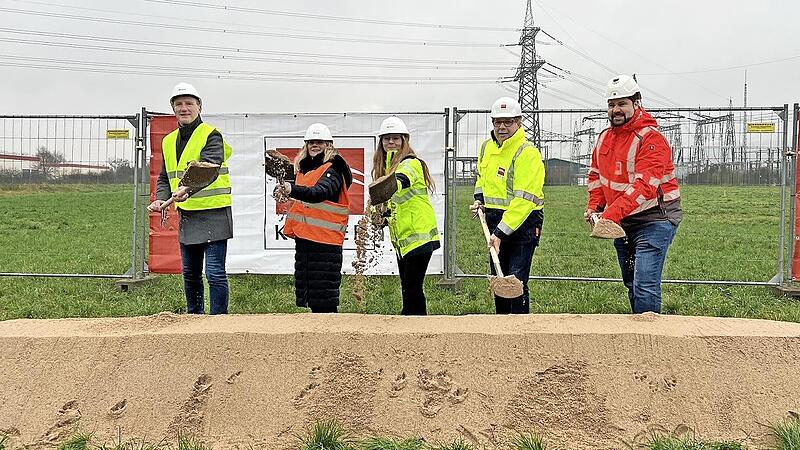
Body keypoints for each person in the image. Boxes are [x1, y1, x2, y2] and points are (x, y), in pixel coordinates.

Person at [585, 74, 682, 314]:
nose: (616, 110)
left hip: (655, 218)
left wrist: (610, 214)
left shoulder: (651, 139)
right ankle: (638, 334)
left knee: (645, 284)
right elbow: (596, 176)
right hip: (621, 219)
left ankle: (650, 339)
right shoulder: (604, 138)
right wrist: (595, 207)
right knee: (631, 282)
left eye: (622, 104)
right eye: (611, 104)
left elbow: (644, 187)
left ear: (636, 103)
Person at [147, 82, 233, 315]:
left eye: (189, 104)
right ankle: (194, 319)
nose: (184, 108)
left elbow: (210, 167)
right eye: (179, 104)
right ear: (173, 109)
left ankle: (219, 320)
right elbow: (165, 176)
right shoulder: (168, 141)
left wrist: (186, 189)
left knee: (214, 272)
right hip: (189, 214)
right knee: (191, 273)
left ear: (199, 107)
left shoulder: (211, 135)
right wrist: (160, 198)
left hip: (215, 212)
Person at [469, 97, 545, 314]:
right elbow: (482, 177)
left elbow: (524, 200)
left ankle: (520, 330)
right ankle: (501, 327)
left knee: (515, 280)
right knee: (499, 278)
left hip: (523, 222)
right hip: (494, 221)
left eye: (508, 122)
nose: (502, 127)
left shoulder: (526, 152)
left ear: (519, 122)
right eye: (497, 122)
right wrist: (480, 199)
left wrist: (501, 233)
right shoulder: (486, 148)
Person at [276, 123, 352, 313]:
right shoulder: (304, 169)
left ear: (328, 144)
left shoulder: (334, 168)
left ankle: (329, 338)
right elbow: (304, 197)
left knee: (324, 299)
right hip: (307, 239)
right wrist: (286, 192)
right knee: (313, 296)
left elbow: (319, 192)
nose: (314, 146)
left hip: (325, 241)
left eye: (319, 142)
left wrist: (291, 189)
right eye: (310, 142)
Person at [371, 117, 440, 315]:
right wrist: (382, 216)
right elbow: (396, 205)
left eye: (395, 138)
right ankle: (410, 325)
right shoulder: (385, 167)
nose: (390, 142)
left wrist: (388, 186)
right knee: (408, 287)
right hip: (404, 239)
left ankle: (416, 329)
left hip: (419, 236)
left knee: (412, 288)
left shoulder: (411, 163)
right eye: (386, 139)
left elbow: (403, 179)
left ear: (404, 141)